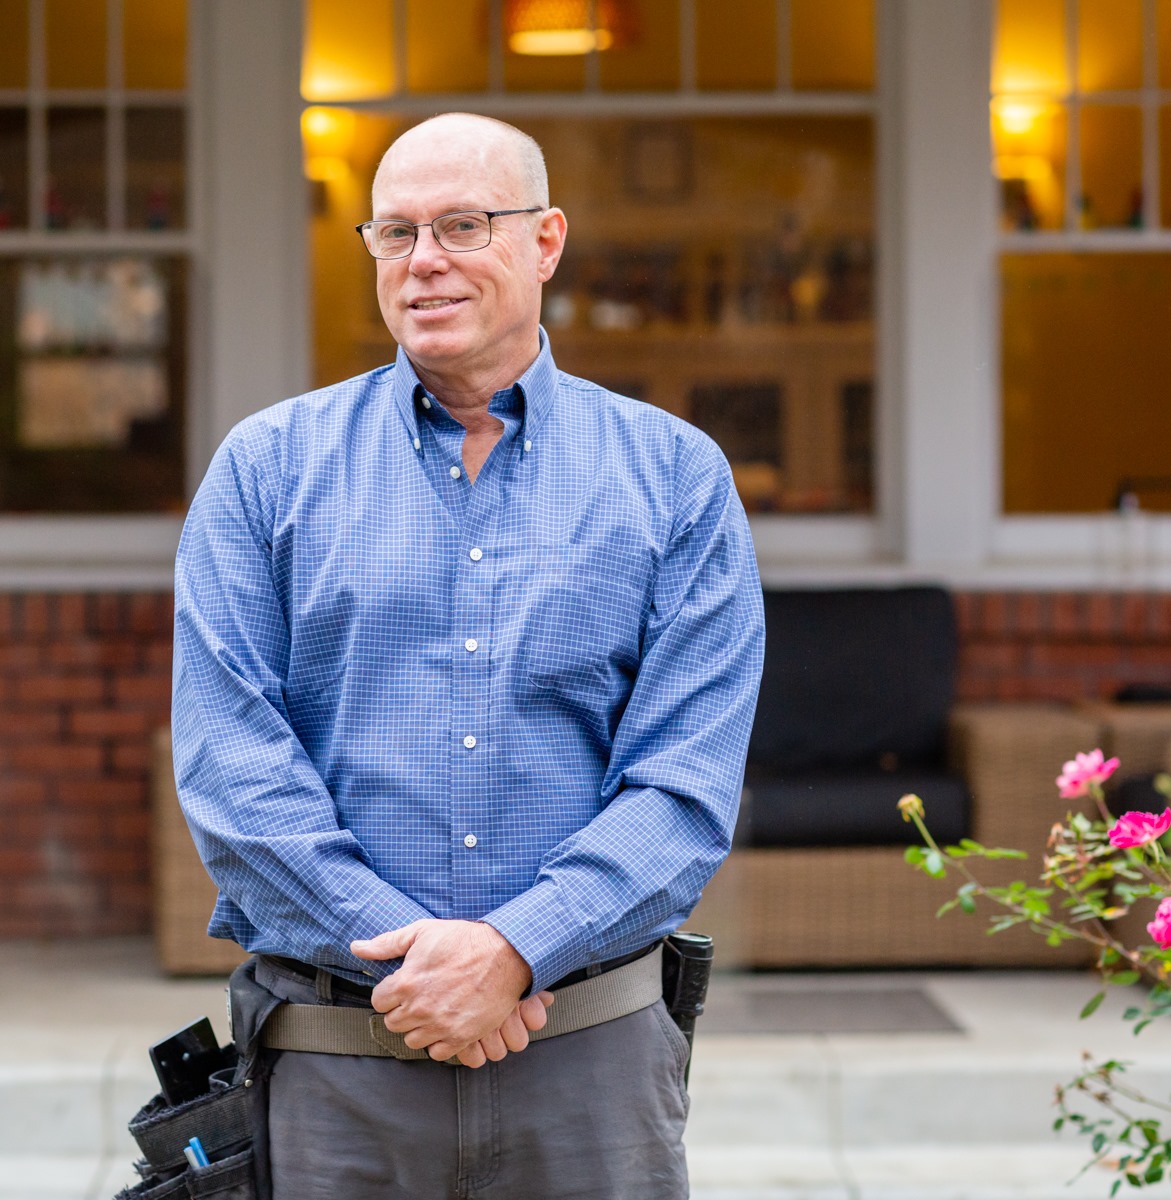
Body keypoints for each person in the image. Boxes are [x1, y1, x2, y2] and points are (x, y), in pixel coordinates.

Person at [172, 111, 764, 1199]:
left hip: (586, 1069)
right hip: (339, 1072)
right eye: (396, 234)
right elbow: (230, 767)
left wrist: (514, 950)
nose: (425, 260)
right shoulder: (264, 471)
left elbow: (685, 784)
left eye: (462, 224)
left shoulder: (676, 477)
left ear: (546, 242)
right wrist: (419, 962)